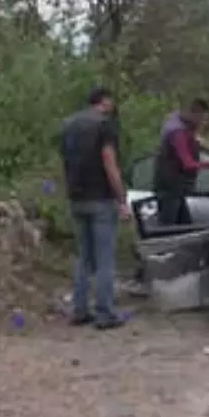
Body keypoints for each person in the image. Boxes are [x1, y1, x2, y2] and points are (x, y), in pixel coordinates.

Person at [59, 86, 130, 330]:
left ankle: (79, 310)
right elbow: (110, 164)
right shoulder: (104, 125)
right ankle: (106, 313)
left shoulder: (68, 125)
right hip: (101, 198)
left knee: (84, 257)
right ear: (105, 101)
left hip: (77, 199)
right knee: (105, 259)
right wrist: (122, 198)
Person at [153, 98, 209, 226]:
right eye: (203, 119)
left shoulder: (177, 121)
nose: (203, 123)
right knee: (168, 227)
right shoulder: (178, 132)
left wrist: (201, 144)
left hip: (176, 188)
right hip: (171, 187)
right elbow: (188, 163)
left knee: (184, 226)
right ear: (195, 115)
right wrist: (206, 164)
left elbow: (192, 138)